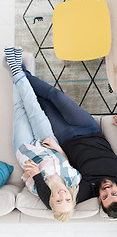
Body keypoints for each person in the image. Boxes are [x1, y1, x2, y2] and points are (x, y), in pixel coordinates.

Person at [22, 62, 117, 219]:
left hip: (65, 137)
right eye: (113, 193)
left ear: (100, 200)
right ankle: (21, 72)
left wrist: (38, 175)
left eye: (105, 196)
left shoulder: (86, 191)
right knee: (56, 95)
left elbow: (49, 202)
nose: (107, 190)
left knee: (44, 104)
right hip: (89, 129)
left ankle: (20, 77)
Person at [4, 46, 82, 222]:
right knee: (32, 104)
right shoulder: (74, 179)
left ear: (52, 201)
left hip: (25, 147)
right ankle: (14, 65)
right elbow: (67, 161)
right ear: (72, 198)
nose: (63, 195)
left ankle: (14, 64)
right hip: (48, 141)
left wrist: (34, 172)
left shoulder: (38, 189)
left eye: (59, 200)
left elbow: (26, 173)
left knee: (20, 108)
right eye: (67, 199)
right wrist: (57, 148)